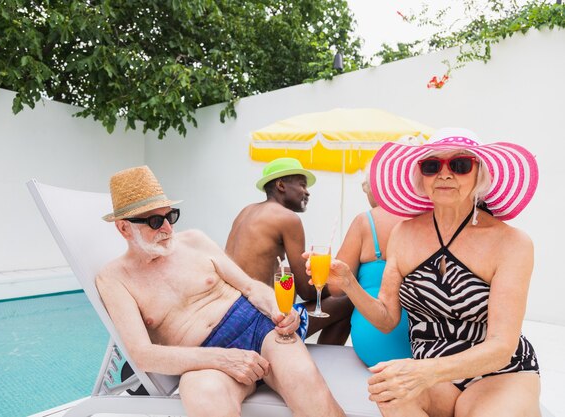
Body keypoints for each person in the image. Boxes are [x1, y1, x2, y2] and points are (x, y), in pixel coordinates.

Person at [320, 129, 541, 416]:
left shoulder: (511, 242)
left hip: (500, 373)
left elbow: (501, 347)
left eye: (460, 165)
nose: (445, 174)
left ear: (479, 175)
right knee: (390, 395)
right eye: (432, 165)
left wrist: (424, 371)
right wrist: (349, 283)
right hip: (434, 375)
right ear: (421, 177)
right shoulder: (404, 233)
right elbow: (387, 319)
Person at [96, 165, 345, 417]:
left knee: (305, 383)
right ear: (124, 228)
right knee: (204, 398)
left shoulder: (194, 241)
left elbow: (250, 286)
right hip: (206, 360)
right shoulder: (114, 279)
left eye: (170, 217)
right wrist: (223, 359)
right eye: (154, 221)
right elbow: (142, 355)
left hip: (262, 330)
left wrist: (279, 309)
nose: (168, 229)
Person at [226, 157, 352, 345]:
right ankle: (324, 360)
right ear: (281, 185)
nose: (307, 193)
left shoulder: (246, 211)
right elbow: (307, 291)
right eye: (303, 185)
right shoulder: (287, 218)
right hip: (256, 324)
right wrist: (333, 281)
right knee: (346, 301)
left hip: (230, 317)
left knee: (285, 274)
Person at [332, 166, 412, 366]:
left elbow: (335, 289)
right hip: (420, 344)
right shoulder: (426, 221)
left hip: (373, 340)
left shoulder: (365, 221)